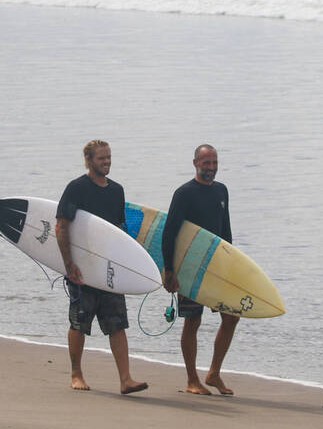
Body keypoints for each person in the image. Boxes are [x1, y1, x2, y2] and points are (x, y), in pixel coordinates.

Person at [56, 139, 148, 395]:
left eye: (108, 157)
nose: (106, 162)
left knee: (117, 324)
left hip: (109, 270)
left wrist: (126, 266)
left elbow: (118, 233)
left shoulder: (117, 191)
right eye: (101, 158)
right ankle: (76, 374)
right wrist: (69, 265)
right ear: (89, 160)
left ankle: (126, 379)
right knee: (79, 323)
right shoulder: (76, 188)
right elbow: (61, 226)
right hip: (82, 269)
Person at [162, 143, 239, 395]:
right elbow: (169, 232)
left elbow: (225, 232)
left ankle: (214, 373)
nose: (211, 168)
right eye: (206, 163)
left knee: (232, 316)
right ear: (195, 163)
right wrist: (170, 270)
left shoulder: (221, 191)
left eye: (214, 163)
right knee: (193, 321)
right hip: (190, 268)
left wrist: (231, 265)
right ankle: (191, 379)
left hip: (216, 266)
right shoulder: (184, 193)